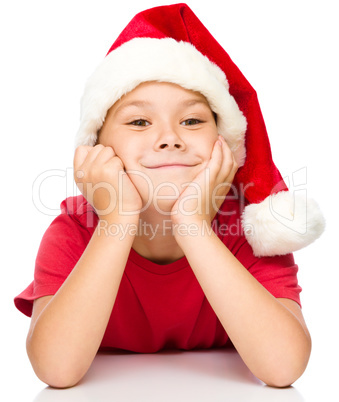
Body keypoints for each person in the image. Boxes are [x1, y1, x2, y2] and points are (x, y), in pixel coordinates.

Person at [14, 3, 325, 389]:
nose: (169, 139)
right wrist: (117, 220)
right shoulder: (73, 231)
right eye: (139, 121)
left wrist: (192, 225)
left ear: (225, 143)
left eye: (192, 120)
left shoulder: (251, 231)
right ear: (97, 148)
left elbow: (284, 369)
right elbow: (56, 371)